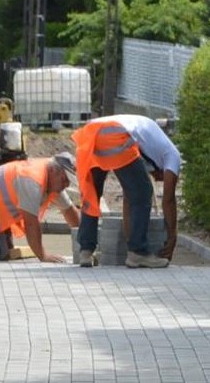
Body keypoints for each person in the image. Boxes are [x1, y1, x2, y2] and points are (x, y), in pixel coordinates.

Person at [72, 114, 179, 269]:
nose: (157, 179)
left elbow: (128, 199)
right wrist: (172, 237)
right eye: (160, 178)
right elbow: (168, 200)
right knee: (143, 192)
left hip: (89, 134)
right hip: (114, 133)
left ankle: (86, 251)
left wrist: (129, 237)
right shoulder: (172, 156)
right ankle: (138, 252)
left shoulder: (150, 146)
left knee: (92, 193)